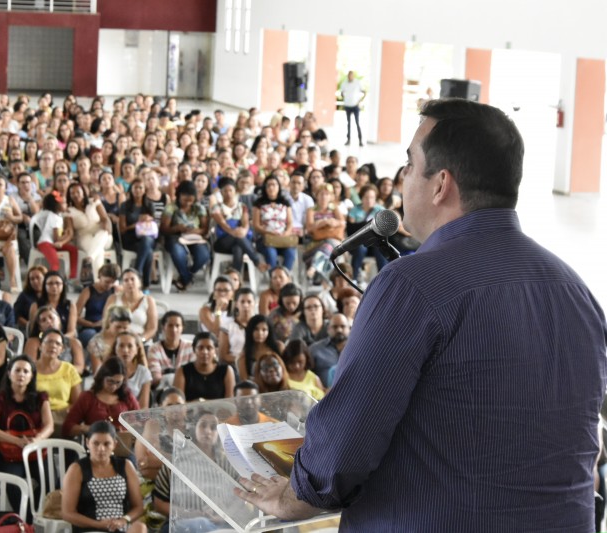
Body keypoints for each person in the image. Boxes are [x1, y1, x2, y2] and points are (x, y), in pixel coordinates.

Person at [235, 99, 607, 530]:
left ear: (440, 184)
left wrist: (292, 495)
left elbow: (343, 450)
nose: (402, 177)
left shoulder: (411, 285)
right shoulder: (576, 290)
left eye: (409, 164)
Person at [0, 355, 54, 516]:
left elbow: (49, 426)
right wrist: (17, 441)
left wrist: (36, 440)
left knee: (52, 482)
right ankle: (27, 521)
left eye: (26, 371)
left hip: (35, 450)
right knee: (13, 484)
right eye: (17, 370)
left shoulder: (41, 397)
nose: (21, 374)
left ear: (32, 376)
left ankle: (33, 513)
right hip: (9, 452)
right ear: (9, 373)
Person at [61, 420, 147, 533]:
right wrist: (98, 524)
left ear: (114, 444)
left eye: (106, 444)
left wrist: (123, 520)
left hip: (120, 527)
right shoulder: (77, 469)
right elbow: (67, 513)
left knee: (140, 528)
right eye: (96, 443)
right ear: (87, 443)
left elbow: (138, 507)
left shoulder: (125, 466)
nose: (101, 449)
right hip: (90, 528)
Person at [64, 356, 140, 437]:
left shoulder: (127, 396)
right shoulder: (88, 397)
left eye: (118, 383)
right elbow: (68, 427)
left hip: (123, 445)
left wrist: (127, 432)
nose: (114, 386)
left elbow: (140, 422)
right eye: (110, 381)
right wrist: (89, 428)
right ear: (102, 377)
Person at [160, 180, 210, 292]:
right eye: (185, 198)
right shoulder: (171, 207)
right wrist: (176, 228)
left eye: (191, 199)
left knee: (204, 255)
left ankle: (186, 277)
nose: (188, 202)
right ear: (179, 195)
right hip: (175, 237)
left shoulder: (199, 208)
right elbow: (164, 229)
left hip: (195, 237)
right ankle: (187, 278)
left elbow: (205, 229)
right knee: (178, 253)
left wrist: (195, 231)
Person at [211, 177, 267, 274]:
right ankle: (257, 262)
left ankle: (234, 278)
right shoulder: (216, 208)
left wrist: (243, 231)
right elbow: (223, 225)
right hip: (222, 243)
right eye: (225, 191)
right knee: (238, 239)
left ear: (235, 191)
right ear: (221, 193)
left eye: (230, 190)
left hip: (241, 241)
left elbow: (246, 224)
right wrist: (236, 233)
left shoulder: (242, 206)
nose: (228, 193)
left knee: (238, 248)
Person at [34, 328, 82, 434]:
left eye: (58, 344)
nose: (53, 346)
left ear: (62, 349)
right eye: (49, 342)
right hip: (37, 415)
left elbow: (77, 402)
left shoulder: (69, 369)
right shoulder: (30, 369)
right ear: (40, 346)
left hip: (63, 415)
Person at [133, 387, 186, 481]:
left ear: (185, 407)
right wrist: (182, 463)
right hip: (156, 481)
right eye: (169, 405)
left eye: (178, 405)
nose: (174, 409)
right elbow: (144, 465)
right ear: (162, 408)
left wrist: (162, 461)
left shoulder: (193, 427)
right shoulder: (153, 425)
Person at [173, 332, 234, 402]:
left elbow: (230, 403)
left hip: (219, 412)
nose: (205, 352)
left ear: (215, 350)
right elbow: (177, 404)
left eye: (209, 348)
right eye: (200, 348)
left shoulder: (226, 370)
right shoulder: (182, 371)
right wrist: (196, 403)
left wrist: (205, 403)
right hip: (190, 412)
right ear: (194, 349)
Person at [252, 175, 295, 272]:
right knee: (271, 253)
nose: (271, 187)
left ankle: (284, 277)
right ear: (265, 187)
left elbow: (290, 223)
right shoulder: (258, 203)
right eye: (269, 185)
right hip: (265, 239)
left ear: (279, 187)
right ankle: (274, 278)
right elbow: (256, 225)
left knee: (291, 253)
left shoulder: (285, 202)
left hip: (282, 238)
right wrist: (270, 232)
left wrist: (286, 233)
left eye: (274, 185)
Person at [104, 268, 157, 343]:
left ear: (139, 282)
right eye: (126, 280)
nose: (129, 282)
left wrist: (141, 340)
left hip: (141, 342)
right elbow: (106, 324)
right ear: (122, 284)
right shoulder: (113, 299)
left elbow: (152, 328)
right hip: (116, 342)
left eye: (132, 279)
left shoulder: (149, 300)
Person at [75, 263, 119, 350]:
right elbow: (74, 316)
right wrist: (92, 324)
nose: (109, 285)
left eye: (112, 282)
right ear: (100, 276)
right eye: (106, 282)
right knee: (92, 337)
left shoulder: (115, 290)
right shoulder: (88, 291)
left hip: (108, 327)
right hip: (90, 327)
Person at [147, 311, 194, 389]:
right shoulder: (154, 349)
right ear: (163, 327)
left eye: (177, 326)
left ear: (182, 328)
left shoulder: (191, 346)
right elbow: (156, 377)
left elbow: (194, 373)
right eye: (170, 326)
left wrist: (167, 374)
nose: (174, 330)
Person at [108, 331, 152, 409]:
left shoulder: (144, 372)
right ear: (115, 349)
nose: (125, 350)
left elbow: (143, 407)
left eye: (130, 346)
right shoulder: (106, 370)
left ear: (137, 350)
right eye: (121, 346)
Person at [307, 312, 350, 387]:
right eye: (335, 327)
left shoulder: (358, 348)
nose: (339, 330)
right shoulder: (315, 349)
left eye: (342, 326)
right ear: (328, 329)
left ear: (349, 329)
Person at [240, 314, 284, 381]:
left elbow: (286, 372)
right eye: (256, 329)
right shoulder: (243, 356)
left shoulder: (279, 346)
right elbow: (245, 382)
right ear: (250, 331)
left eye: (264, 330)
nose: (260, 333)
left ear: (269, 331)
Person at [13, 264, 47, 329]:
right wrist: (31, 326)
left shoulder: (50, 295)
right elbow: (17, 316)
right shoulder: (24, 295)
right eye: (32, 279)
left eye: (38, 278)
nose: (35, 281)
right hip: (28, 328)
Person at [339, 70, 366, 146]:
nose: (350, 77)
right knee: (348, 123)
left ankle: (360, 140)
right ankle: (348, 140)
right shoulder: (344, 83)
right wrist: (345, 98)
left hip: (355, 106)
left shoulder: (357, 83)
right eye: (348, 75)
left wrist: (359, 101)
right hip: (347, 105)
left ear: (353, 76)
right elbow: (342, 93)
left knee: (357, 123)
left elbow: (364, 92)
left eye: (351, 75)